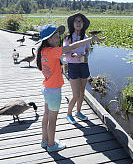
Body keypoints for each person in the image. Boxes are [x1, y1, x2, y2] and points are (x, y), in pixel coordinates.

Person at [36, 24, 105, 152]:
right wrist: (90, 39)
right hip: (54, 91)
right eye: (56, 37)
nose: (58, 40)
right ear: (48, 39)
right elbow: (72, 47)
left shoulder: (43, 51)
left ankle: (44, 141)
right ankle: (51, 145)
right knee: (53, 119)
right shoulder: (53, 51)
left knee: (46, 115)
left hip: (46, 88)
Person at [63, 13, 105, 124]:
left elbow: (87, 51)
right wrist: (74, 55)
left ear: (83, 24)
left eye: (80, 21)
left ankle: (78, 112)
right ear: (72, 24)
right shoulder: (68, 37)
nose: (78, 23)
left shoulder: (85, 37)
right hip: (73, 66)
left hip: (83, 65)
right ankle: (68, 114)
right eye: (76, 21)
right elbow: (65, 53)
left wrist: (84, 56)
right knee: (76, 94)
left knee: (82, 92)